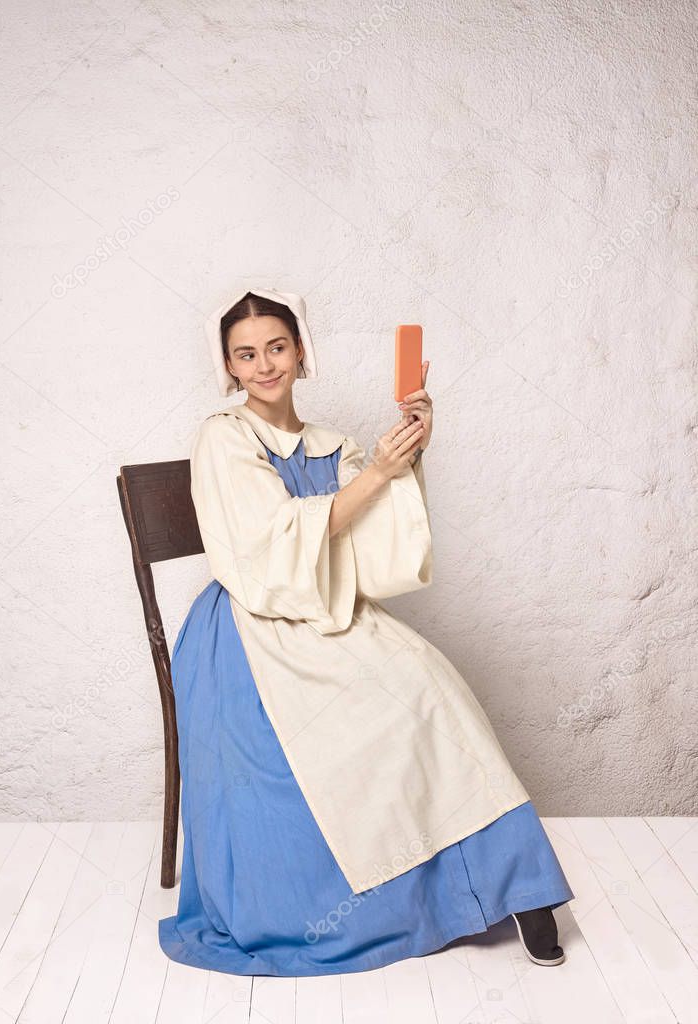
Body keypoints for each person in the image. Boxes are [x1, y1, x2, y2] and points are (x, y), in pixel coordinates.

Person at [158, 286, 574, 977]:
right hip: (250, 625)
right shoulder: (222, 437)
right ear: (227, 366)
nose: (264, 365)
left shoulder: (332, 445)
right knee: (353, 719)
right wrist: (377, 474)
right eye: (246, 354)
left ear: (300, 350)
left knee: (428, 688)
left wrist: (403, 459)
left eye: (276, 347)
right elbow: (266, 544)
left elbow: (372, 539)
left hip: (330, 609)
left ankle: (522, 890)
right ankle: (387, 901)